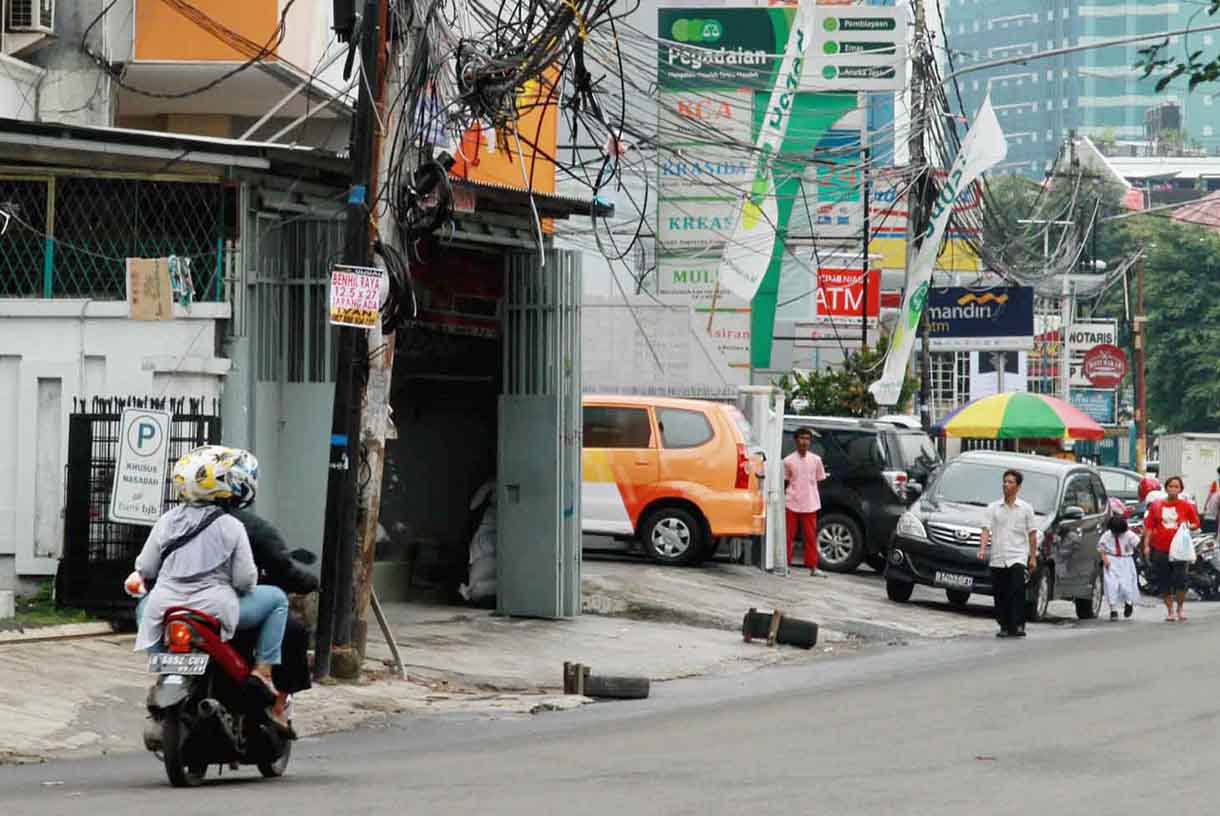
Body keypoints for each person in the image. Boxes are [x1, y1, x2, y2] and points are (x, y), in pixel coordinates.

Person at [128, 445, 290, 727]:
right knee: (277, 599)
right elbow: (244, 580)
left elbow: (146, 567)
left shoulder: (166, 521)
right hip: (214, 608)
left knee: (144, 606)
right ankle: (263, 670)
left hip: (165, 607)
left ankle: (165, 670)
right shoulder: (231, 526)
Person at [977, 469, 1038, 639]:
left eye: (1010, 482)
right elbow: (985, 530)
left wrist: (1032, 557)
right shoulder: (993, 508)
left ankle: (1018, 624)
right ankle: (1004, 624)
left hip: (1017, 555)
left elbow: (1032, 534)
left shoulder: (1026, 509)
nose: (1006, 485)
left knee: (1017, 591)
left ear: (1018, 486)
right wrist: (982, 549)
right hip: (998, 556)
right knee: (1000, 593)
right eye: (1005, 481)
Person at [1142, 475, 1200, 622]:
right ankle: (1170, 611)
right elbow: (1149, 527)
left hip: (1180, 549)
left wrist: (1187, 525)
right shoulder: (1156, 505)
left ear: (1181, 489)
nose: (1173, 489)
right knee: (1164, 580)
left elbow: (1196, 523)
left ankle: (1180, 607)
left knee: (1181, 579)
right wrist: (1147, 545)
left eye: (1176, 487)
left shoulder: (1186, 506)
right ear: (1166, 488)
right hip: (1160, 548)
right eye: (1171, 486)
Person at [783, 427, 828, 577]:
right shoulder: (788, 460)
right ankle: (785, 564)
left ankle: (813, 566)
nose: (804, 442)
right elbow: (786, 481)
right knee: (788, 536)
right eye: (801, 438)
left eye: (807, 439)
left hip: (810, 503)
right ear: (796, 441)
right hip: (792, 502)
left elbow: (819, 480)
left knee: (810, 536)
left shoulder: (816, 460)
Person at [1098, 514, 1139, 621]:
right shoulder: (1107, 535)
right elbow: (1101, 547)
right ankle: (1113, 610)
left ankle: (1128, 603)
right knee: (1111, 585)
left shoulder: (1129, 535)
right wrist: (1104, 558)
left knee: (1126, 585)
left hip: (1126, 560)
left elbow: (1137, 544)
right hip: (1111, 560)